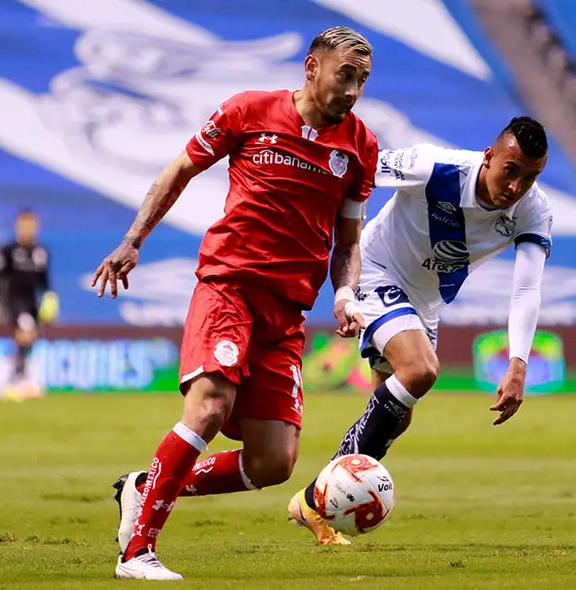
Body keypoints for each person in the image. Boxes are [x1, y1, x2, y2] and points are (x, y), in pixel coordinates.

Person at [92, 26, 378, 580]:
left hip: (287, 312)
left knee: (274, 461)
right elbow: (179, 171)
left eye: (363, 80)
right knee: (209, 406)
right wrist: (133, 240)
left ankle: (145, 487)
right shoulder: (248, 111)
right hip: (229, 286)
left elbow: (349, 242)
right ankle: (137, 553)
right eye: (346, 75)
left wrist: (345, 294)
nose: (353, 90)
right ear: (311, 67)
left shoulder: (360, 147)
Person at [282, 116, 553, 544]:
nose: (517, 188)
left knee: (397, 418)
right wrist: (343, 279)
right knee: (422, 370)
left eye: (531, 177)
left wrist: (518, 362)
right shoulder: (433, 166)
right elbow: (358, 174)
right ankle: (319, 500)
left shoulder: (534, 209)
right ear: (489, 157)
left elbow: (527, 289)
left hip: (424, 303)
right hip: (377, 270)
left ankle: (316, 498)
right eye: (511, 171)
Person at [0, 209, 58, 398]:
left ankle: (19, 377)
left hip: (32, 302)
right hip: (14, 300)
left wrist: (49, 297)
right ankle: (18, 379)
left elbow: (44, 279)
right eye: (24, 225)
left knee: (29, 340)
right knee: (24, 334)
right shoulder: (9, 251)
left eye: (32, 225)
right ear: (18, 227)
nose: (28, 230)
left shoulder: (41, 252)